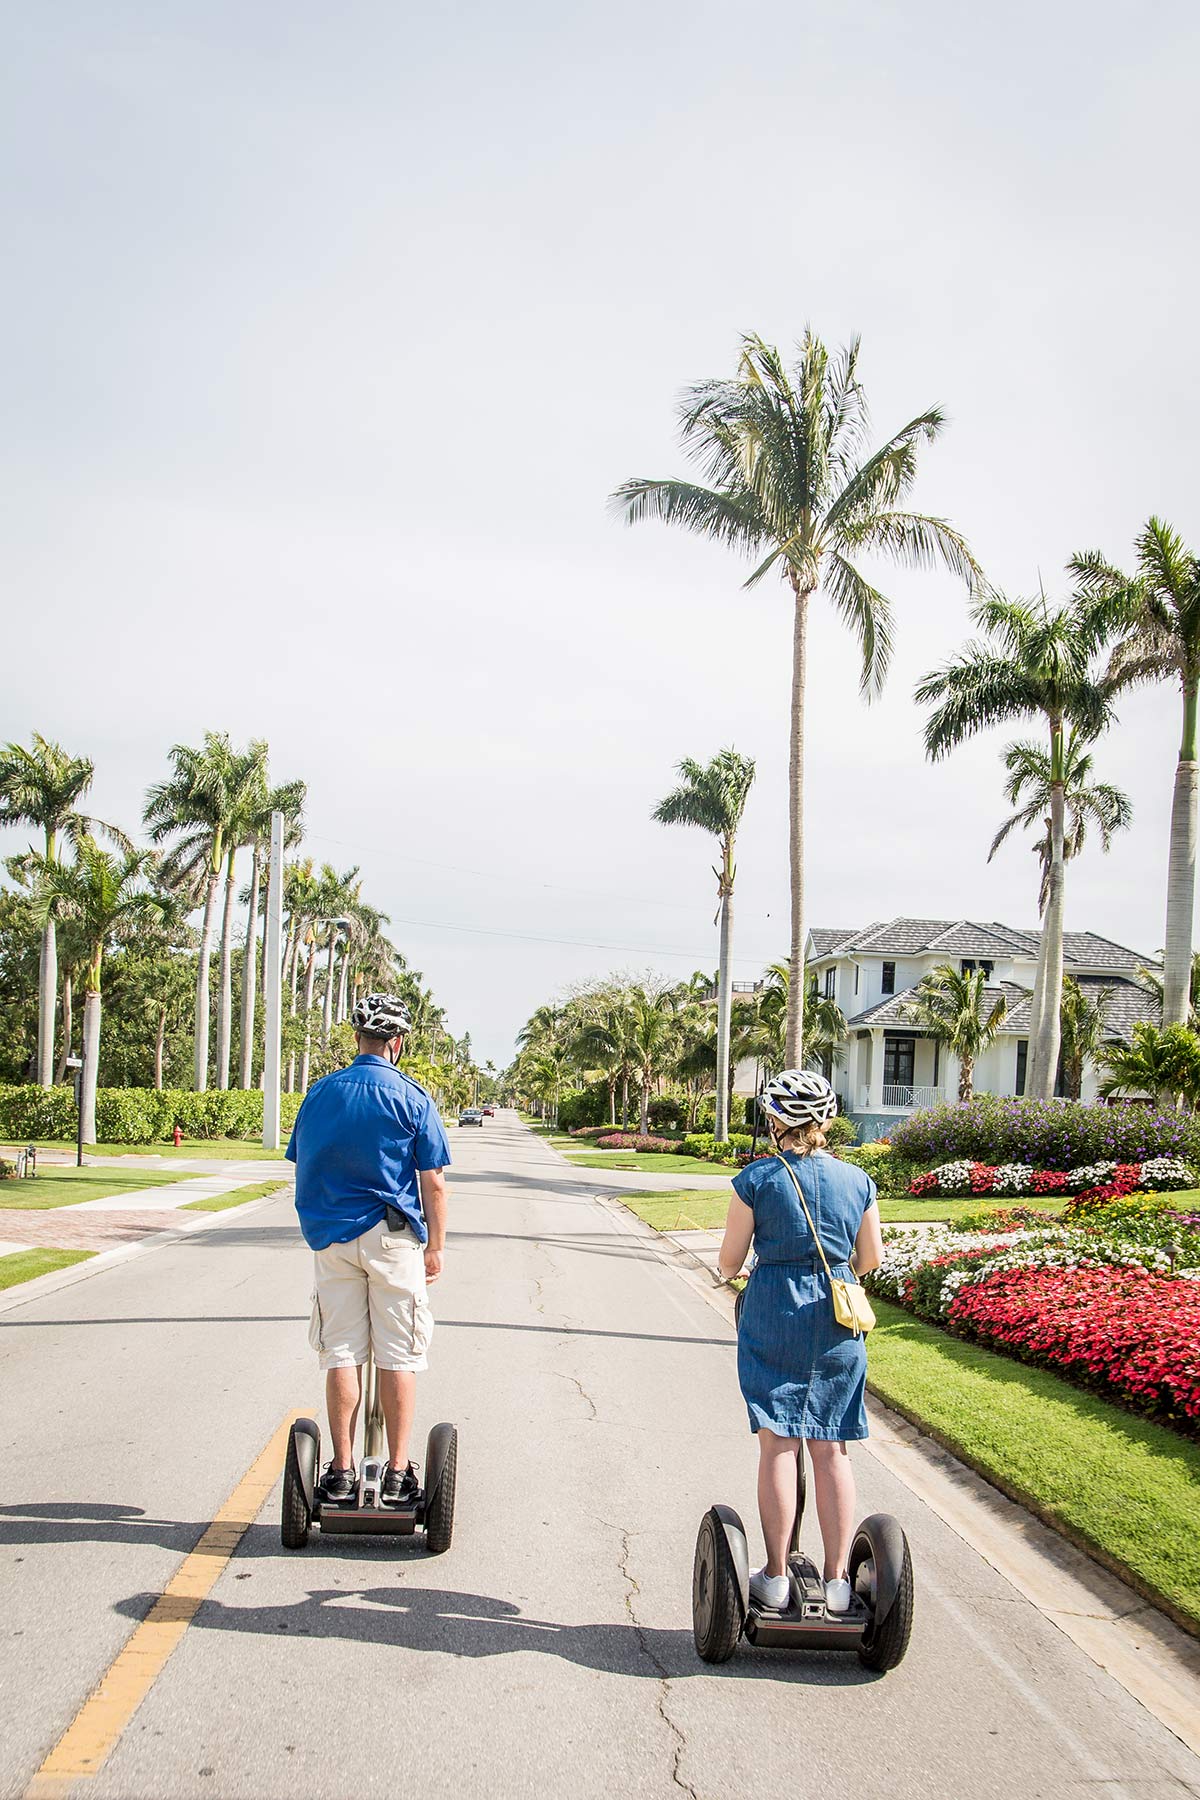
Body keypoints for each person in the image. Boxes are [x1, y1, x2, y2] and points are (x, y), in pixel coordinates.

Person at [717, 1069, 884, 1614]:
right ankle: (838, 1584)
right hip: (839, 1315)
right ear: (827, 1120)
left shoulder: (757, 1180)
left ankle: (776, 1575)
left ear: (774, 1122)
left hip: (773, 1311)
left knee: (778, 1443)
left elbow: (729, 1261)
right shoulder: (858, 1181)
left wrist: (733, 1275)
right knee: (831, 1445)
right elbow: (870, 1261)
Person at [286, 992, 450, 1504]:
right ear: (397, 1043)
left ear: (358, 1038)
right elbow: (434, 1182)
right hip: (393, 1239)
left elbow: (303, 1163)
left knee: (342, 1352)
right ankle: (399, 1473)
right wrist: (436, 1249)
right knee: (398, 1354)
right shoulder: (413, 1098)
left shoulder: (320, 1094)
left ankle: (340, 1470)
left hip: (333, 1239)